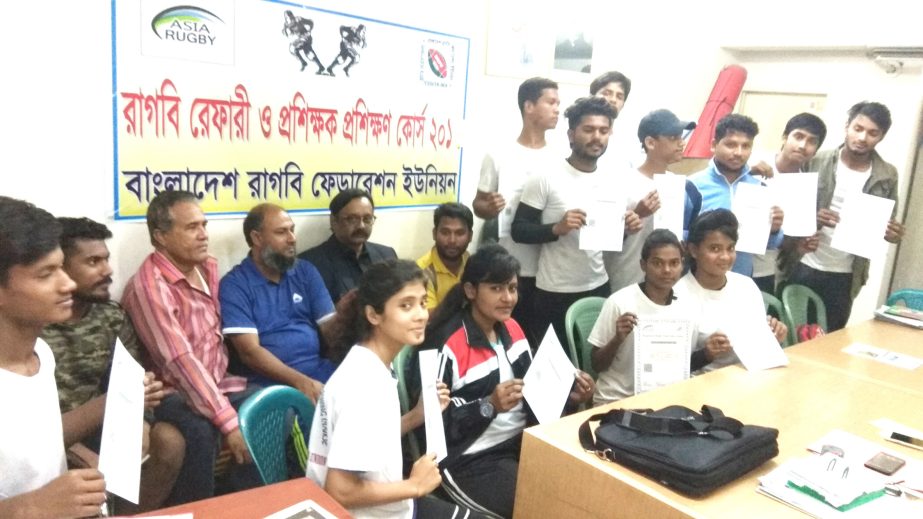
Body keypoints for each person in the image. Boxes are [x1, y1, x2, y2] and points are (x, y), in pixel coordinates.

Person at [417, 244, 594, 518]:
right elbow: (431, 425)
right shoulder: (447, 344)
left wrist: (571, 394)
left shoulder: (512, 327)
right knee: (537, 509)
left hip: (524, 442)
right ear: (471, 291)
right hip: (471, 459)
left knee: (581, 495)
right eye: (496, 288)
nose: (508, 298)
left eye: (512, 288)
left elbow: (537, 387)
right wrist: (488, 405)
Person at [306, 259, 482, 518]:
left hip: (391, 506)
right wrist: (414, 485)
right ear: (373, 315)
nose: (421, 314)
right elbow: (339, 491)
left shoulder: (371, 363)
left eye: (422, 302)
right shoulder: (363, 385)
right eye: (405, 305)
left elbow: (369, 436)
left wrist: (415, 417)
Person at [122, 190, 260, 505]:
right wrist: (227, 420)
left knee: (270, 407)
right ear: (161, 237)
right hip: (172, 391)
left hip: (217, 382)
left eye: (204, 225)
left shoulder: (206, 268)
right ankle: (197, 510)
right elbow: (180, 362)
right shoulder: (149, 287)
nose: (203, 235)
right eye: (191, 228)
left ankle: (245, 504)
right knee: (200, 431)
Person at [41, 217, 184, 512]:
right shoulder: (36, 324)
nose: (107, 271)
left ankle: (134, 515)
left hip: (101, 422)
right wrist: (74, 450)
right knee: (86, 471)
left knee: (169, 441)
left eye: (106, 259)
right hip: (53, 433)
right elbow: (30, 423)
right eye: (93, 262)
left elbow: (132, 376)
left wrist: (142, 419)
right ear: (61, 269)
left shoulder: (110, 316)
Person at [0, 196, 107, 519]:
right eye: (46, 274)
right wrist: (30, 507)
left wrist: (114, 402)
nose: (69, 284)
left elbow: (35, 443)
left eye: (62, 266)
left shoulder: (40, 355)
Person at [512, 96, 642, 349]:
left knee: (594, 364)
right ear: (571, 134)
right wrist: (556, 228)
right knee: (558, 372)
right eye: (588, 129)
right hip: (553, 291)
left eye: (603, 131)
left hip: (598, 286)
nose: (597, 137)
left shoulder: (614, 179)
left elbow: (610, 240)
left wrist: (625, 230)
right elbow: (519, 230)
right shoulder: (546, 176)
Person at [785, 102, 905, 331]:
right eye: (858, 128)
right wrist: (812, 218)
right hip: (802, 264)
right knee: (790, 339)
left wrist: (892, 234)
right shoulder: (816, 160)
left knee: (829, 342)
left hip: (846, 276)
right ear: (847, 126)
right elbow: (789, 210)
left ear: (881, 137)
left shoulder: (887, 174)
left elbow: (888, 225)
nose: (862, 137)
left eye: (872, 133)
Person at [472, 77, 561, 347]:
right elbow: (479, 204)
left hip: (553, 268)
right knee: (514, 340)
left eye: (559, 103)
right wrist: (490, 208)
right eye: (551, 102)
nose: (557, 109)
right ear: (529, 106)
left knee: (545, 343)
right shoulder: (499, 154)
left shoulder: (561, 156)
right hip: (515, 267)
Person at [220, 204, 336, 403]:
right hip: (270, 384)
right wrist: (300, 382)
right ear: (257, 238)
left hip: (319, 369)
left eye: (292, 229)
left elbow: (332, 329)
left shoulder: (305, 272)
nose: (292, 238)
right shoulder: (235, 284)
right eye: (282, 232)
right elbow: (250, 352)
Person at [589, 229, 696, 406]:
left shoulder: (687, 306)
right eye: (658, 263)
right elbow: (596, 365)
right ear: (643, 265)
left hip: (666, 398)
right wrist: (617, 339)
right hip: (619, 400)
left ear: (682, 264)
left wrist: (708, 353)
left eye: (674, 263)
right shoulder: (620, 302)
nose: (667, 270)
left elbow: (684, 361)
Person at [604, 109, 702, 292]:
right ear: (650, 142)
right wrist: (637, 214)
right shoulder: (621, 183)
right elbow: (603, 239)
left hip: (669, 284)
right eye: (673, 138)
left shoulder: (681, 186)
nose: (681, 144)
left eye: (681, 137)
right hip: (628, 280)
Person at [678, 210, 788, 373]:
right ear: (693, 250)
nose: (725, 257)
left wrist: (774, 336)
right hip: (703, 384)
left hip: (751, 375)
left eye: (730, 248)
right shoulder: (677, 295)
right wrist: (706, 354)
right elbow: (669, 364)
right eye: (715, 249)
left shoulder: (745, 286)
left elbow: (758, 345)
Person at [690, 114, 784, 278]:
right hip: (698, 279)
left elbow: (769, 246)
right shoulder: (693, 186)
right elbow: (680, 236)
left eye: (746, 146)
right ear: (714, 145)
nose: (739, 152)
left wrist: (774, 230)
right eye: (731, 145)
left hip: (741, 279)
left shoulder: (759, 188)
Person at [748, 113, 827, 293]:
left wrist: (800, 247)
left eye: (811, 141)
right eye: (798, 136)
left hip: (766, 271)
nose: (802, 146)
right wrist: (745, 172)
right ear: (784, 137)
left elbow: (787, 242)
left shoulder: (805, 189)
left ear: (816, 150)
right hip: (732, 264)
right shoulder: (753, 163)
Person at [299, 188, 397, 303]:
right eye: (352, 219)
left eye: (367, 219)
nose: (361, 226)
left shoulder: (387, 255)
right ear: (334, 221)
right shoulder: (309, 264)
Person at [416, 202, 473, 310]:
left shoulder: (471, 261)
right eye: (445, 232)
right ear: (434, 233)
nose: (452, 240)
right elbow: (429, 319)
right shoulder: (421, 271)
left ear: (470, 236)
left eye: (459, 233)